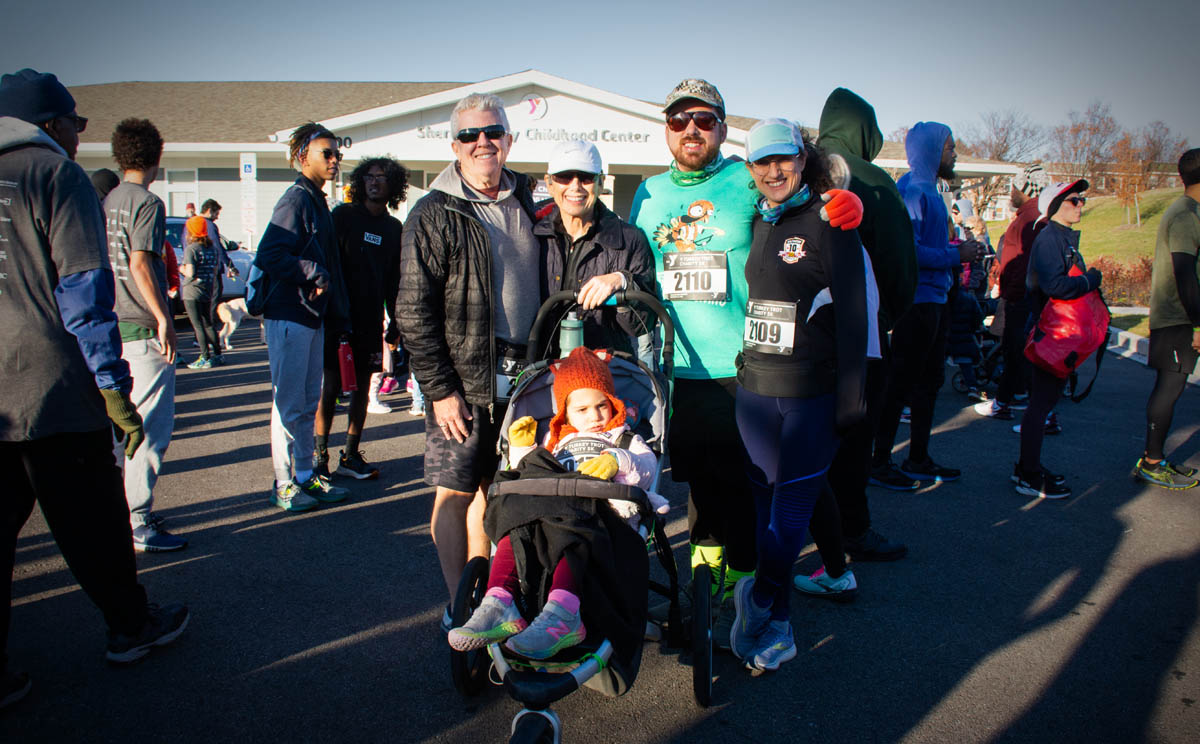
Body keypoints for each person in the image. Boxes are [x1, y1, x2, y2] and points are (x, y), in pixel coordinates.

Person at [630, 80, 862, 647]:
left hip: (746, 368)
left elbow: (805, 203)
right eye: (679, 120)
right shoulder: (648, 193)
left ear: (723, 128)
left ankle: (754, 582)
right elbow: (633, 258)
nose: (691, 129)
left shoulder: (746, 178)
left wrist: (845, 200)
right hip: (680, 370)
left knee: (756, 486)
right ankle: (707, 585)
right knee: (701, 486)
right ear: (666, 129)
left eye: (704, 120)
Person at [0, 68, 188, 709]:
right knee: (94, 521)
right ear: (50, 124)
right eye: (74, 124)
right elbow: (83, 292)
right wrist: (111, 384)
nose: (78, 137)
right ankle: (131, 627)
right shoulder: (56, 175)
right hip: (51, 385)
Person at [729, 119, 868, 671]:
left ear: (803, 159)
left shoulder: (832, 218)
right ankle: (780, 626)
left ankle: (761, 597)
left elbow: (856, 313)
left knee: (790, 516)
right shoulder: (757, 219)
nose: (773, 171)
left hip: (811, 395)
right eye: (762, 162)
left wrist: (853, 396)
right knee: (765, 514)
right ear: (750, 168)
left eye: (783, 159)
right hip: (756, 393)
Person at [398, 94, 542, 626]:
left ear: (509, 139)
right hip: (463, 377)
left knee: (495, 488)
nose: (482, 142)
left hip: (526, 374)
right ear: (454, 145)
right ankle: (458, 606)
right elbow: (412, 310)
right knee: (455, 490)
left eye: (493, 132)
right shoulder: (434, 211)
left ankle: (486, 598)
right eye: (469, 135)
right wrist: (440, 391)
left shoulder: (532, 197)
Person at [447, 347, 666, 659]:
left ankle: (564, 614)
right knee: (518, 518)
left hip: (601, 525)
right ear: (565, 414)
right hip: (553, 517)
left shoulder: (625, 439)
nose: (594, 417)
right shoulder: (556, 443)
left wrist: (618, 460)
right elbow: (529, 477)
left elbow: (647, 468)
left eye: (602, 406)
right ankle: (499, 601)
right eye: (582, 410)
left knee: (572, 526)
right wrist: (522, 449)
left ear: (613, 403)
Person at [814, 87, 918, 563]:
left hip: (800, 332)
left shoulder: (799, 169)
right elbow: (899, 265)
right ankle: (852, 530)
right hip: (860, 335)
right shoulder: (873, 180)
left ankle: (799, 525)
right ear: (866, 131)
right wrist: (888, 317)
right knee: (853, 436)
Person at [872, 122, 981, 485]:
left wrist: (955, 253)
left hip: (937, 299)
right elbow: (910, 251)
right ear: (931, 150)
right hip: (916, 303)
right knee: (900, 384)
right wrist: (955, 255)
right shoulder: (912, 190)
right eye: (950, 147)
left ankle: (918, 458)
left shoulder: (931, 190)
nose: (955, 154)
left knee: (930, 382)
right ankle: (879, 461)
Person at [254, 122, 351, 512]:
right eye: (326, 153)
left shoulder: (316, 200)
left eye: (337, 153)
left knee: (309, 402)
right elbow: (269, 253)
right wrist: (315, 273)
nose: (334, 160)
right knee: (289, 403)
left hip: (311, 317)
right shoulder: (295, 199)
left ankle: (305, 475)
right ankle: (283, 483)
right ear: (301, 157)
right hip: (289, 315)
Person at [103, 117, 187, 552]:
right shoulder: (147, 202)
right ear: (156, 155)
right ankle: (138, 520)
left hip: (112, 325)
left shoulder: (110, 199)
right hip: (141, 327)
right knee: (150, 430)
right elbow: (140, 263)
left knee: (122, 429)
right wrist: (163, 318)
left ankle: (120, 514)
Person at [314, 157, 407, 480]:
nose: (374, 182)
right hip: (337, 317)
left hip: (370, 321)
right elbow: (324, 261)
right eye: (369, 176)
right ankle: (319, 457)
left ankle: (350, 455)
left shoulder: (393, 228)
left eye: (381, 177)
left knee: (363, 387)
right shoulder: (343, 217)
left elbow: (395, 280)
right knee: (331, 386)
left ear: (393, 185)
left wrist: (396, 322)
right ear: (360, 182)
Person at [1015, 180, 1101, 499]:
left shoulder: (1060, 237)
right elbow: (1055, 286)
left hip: (1057, 333)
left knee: (1044, 403)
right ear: (1054, 207)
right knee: (1040, 405)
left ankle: (1027, 467)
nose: (1080, 205)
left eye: (1081, 200)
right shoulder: (1051, 238)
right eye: (1073, 200)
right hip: (1050, 334)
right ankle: (1028, 473)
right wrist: (1090, 280)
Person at [533, 139, 655, 355]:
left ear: (600, 183)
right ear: (549, 183)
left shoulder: (630, 239)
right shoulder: (532, 235)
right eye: (564, 177)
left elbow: (642, 325)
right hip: (543, 369)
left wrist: (623, 282)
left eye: (586, 177)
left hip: (606, 371)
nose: (575, 186)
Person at [1134, 149, 1200, 488]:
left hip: (1180, 316)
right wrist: (1198, 324)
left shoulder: (1189, 211)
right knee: (1169, 388)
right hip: (1178, 317)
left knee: (1172, 387)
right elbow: (1185, 273)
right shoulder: (1185, 215)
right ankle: (1152, 462)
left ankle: (1154, 458)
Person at [976, 164, 1049, 420]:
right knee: (1016, 349)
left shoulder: (1030, 220)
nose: (1011, 192)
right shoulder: (1033, 217)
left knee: (1016, 349)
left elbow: (1023, 262)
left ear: (1026, 189)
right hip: (1021, 295)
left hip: (1020, 297)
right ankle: (1012, 397)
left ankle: (1011, 399)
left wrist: (1012, 295)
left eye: (1014, 187)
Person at [180, 216, 221, 368]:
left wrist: (181, 268)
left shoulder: (191, 249)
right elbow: (215, 269)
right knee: (208, 324)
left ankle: (204, 357)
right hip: (207, 289)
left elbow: (190, 272)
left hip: (192, 291)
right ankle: (218, 354)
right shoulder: (212, 249)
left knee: (198, 325)